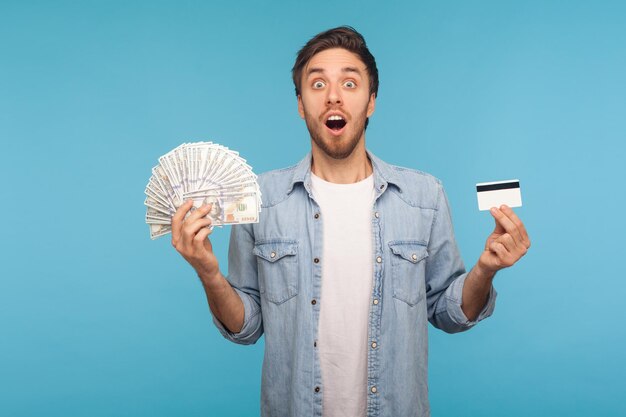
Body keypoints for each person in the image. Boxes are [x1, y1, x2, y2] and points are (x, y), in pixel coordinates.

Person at [170, 26, 531, 417]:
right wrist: (208, 273)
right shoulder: (260, 199)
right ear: (300, 104)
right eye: (318, 82)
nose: (333, 96)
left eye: (350, 82)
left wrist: (486, 270)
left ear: (371, 101)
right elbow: (247, 326)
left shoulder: (424, 196)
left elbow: (448, 312)